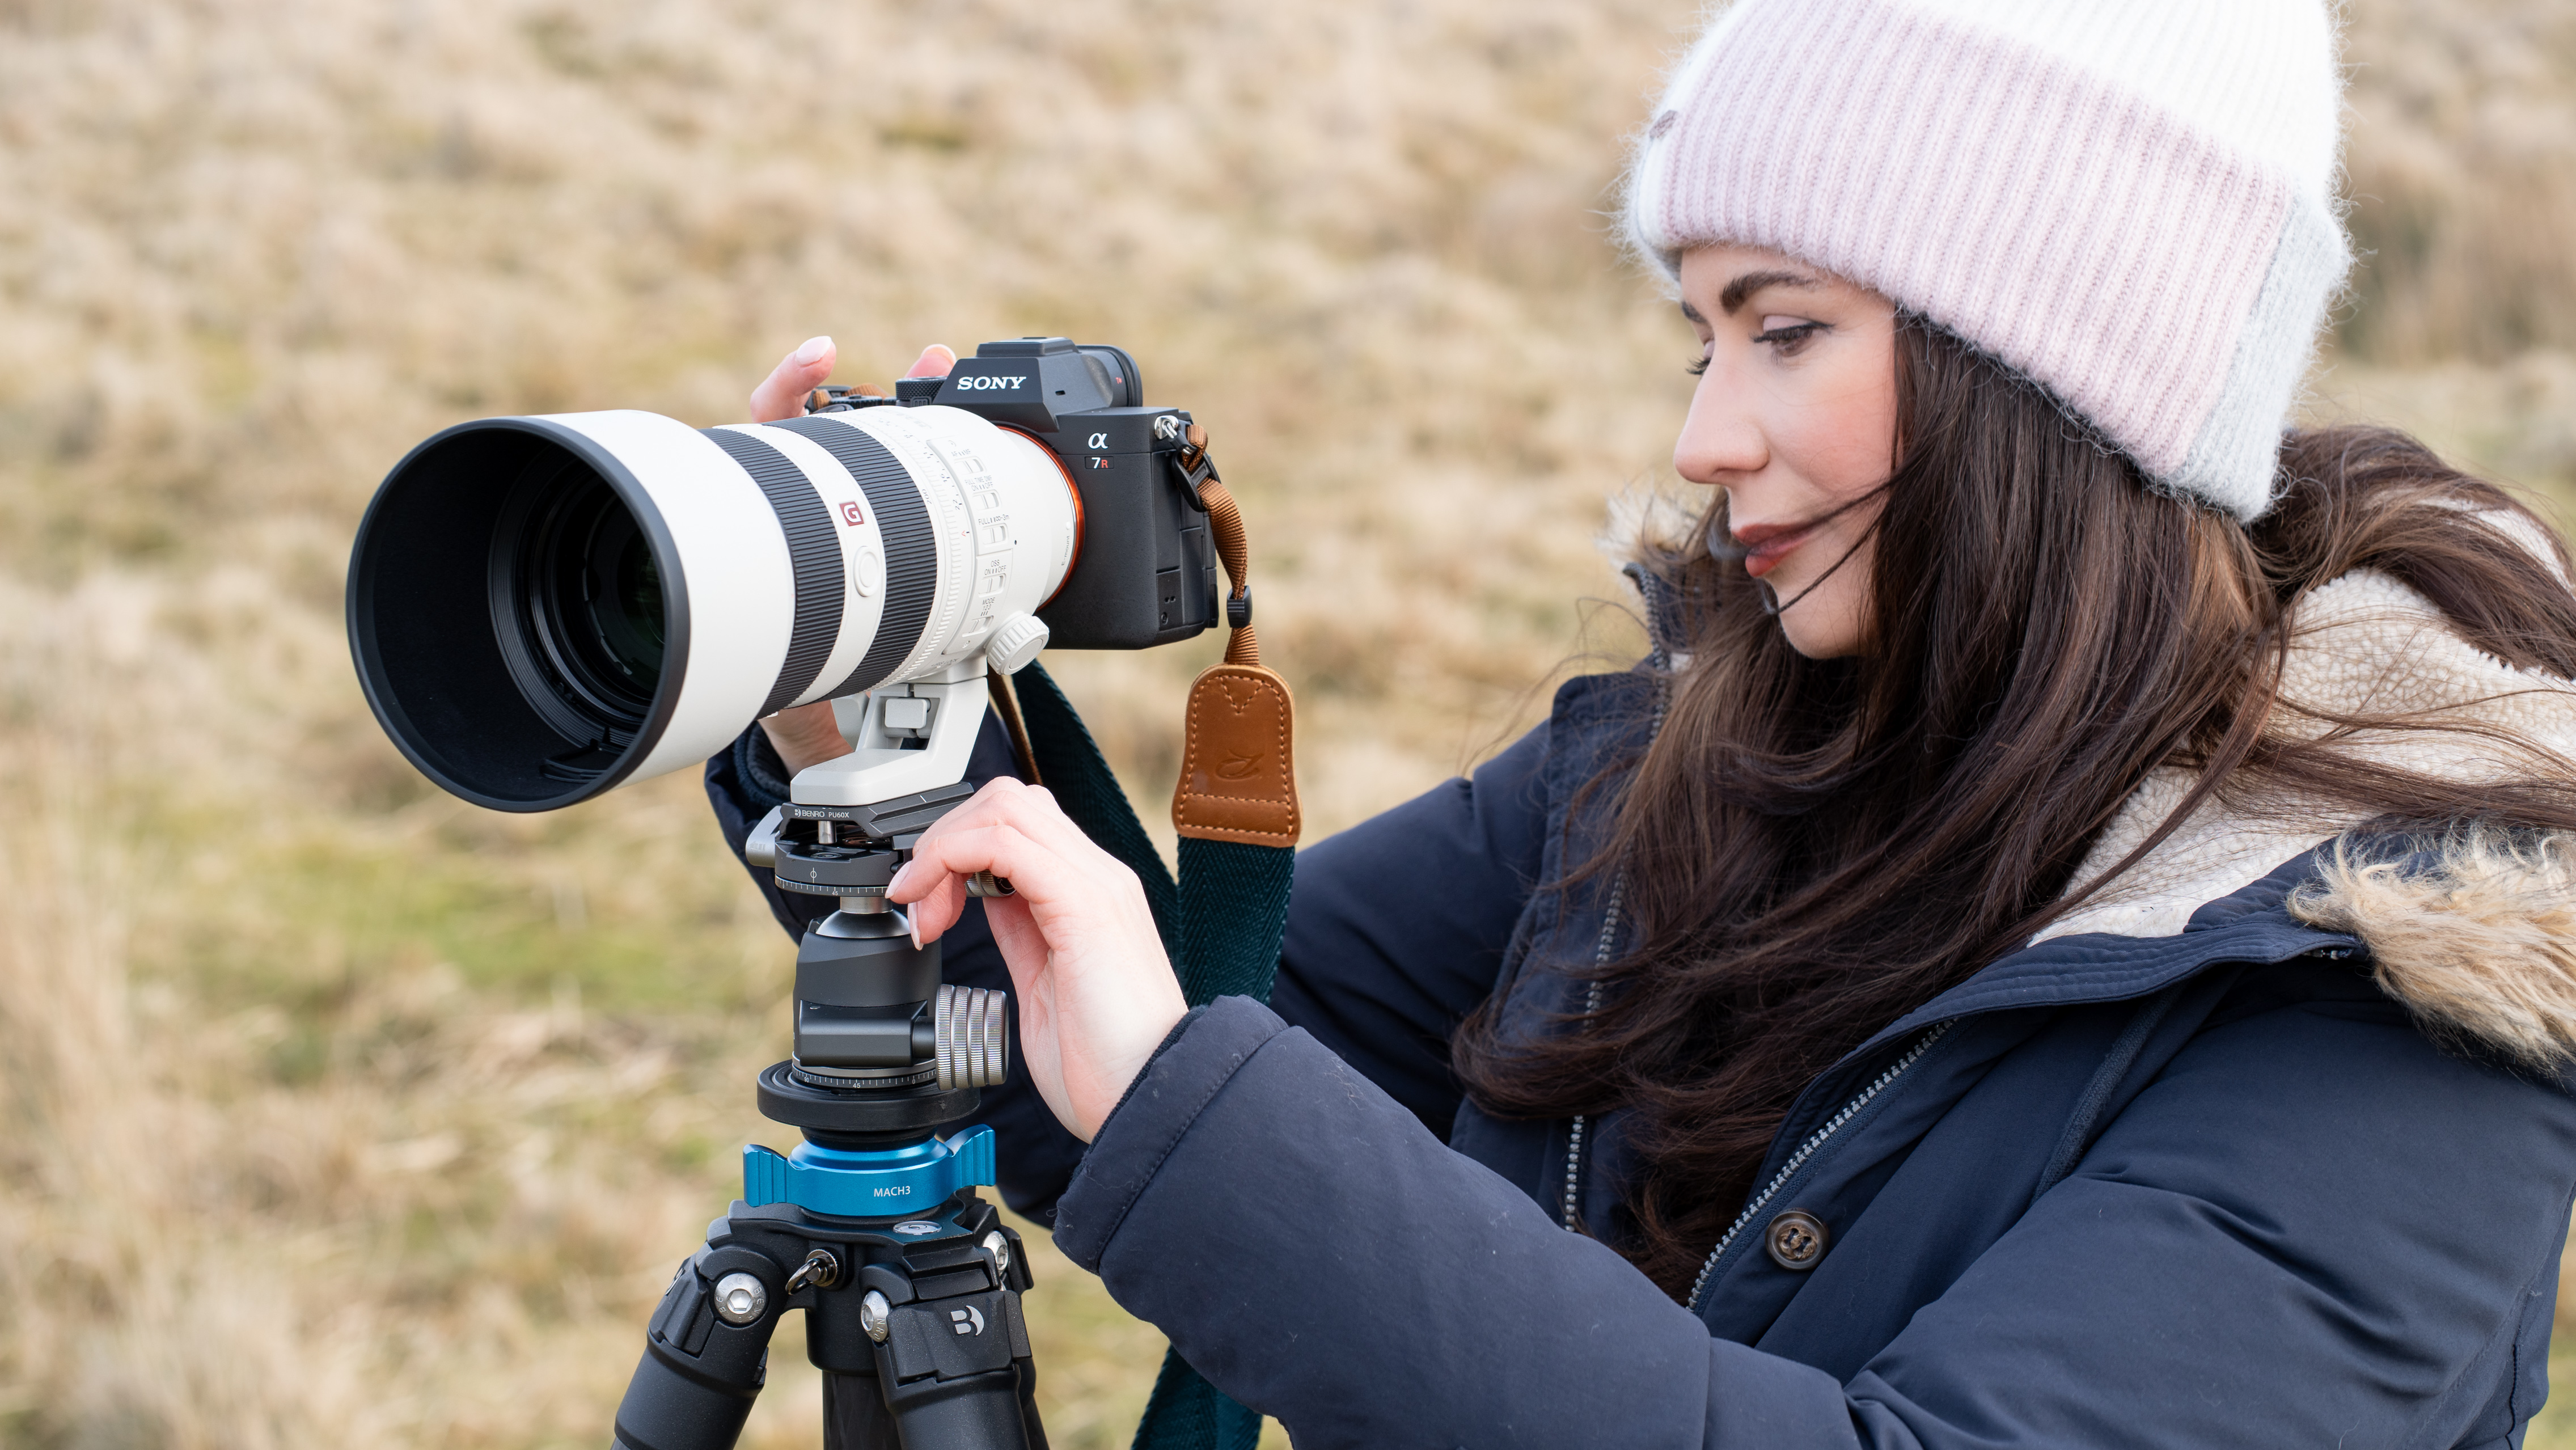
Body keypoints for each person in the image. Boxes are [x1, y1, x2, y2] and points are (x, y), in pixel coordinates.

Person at [707, 1, 2576, 1443]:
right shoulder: (1694, 756)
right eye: (1700, 338)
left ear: (2056, 370)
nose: (1703, 439)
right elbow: (1146, 1067)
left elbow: (1198, 1099)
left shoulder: (2394, 993)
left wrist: (1181, 1088)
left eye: (1785, 330)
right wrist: (867, 725)